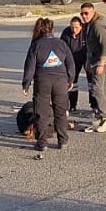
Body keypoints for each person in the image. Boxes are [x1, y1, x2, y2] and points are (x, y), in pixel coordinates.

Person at [21, 17, 75, 159]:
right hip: (60, 82)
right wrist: (70, 79)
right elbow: (70, 63)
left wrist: (26, 84)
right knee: (60, 112)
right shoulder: (61, 44)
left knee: (42, 113)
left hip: (42, 82)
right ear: (52, 29)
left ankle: (42, 143)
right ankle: (62, 141)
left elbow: (29, 67)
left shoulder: (36, 45)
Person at [78, 2, 106, 132]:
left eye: (86, 13)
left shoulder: (98, 26)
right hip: (94, 61)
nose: (84, 16)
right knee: (100, 89)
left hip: (103, 62)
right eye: (82, 13)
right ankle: (101, 116)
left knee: (96, 89)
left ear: (93, 12)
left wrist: (101, 63)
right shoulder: (89, 24)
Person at [59, 16, 92, 113]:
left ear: (81, 26)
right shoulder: (66, 33)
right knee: (72, 82)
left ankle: (94, 105)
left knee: (91, 82)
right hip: (72, 60)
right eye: (72, 27)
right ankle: (72, 105)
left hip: (86, 58)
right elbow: (62, 48)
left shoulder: (86, 32)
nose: (74, 29)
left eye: (76, 27)